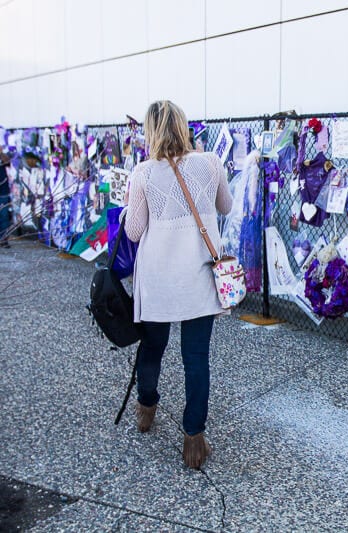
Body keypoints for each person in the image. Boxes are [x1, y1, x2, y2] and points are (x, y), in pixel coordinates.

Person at [123, 101, 233, 469]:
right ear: (184, 126)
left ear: (150, 131)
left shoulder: (142, 173)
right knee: (196, 358)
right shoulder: (211, 162)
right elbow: (226, 206)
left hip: (157, 281)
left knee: (152, 348)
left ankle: (147, 405)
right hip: (199, 277)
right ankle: (193, 439)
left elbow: (135, 231)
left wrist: (127, 210)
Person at [0, 147, 11, 248]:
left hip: (3, 193)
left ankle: (3, 239)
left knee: (4, 216)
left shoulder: (2, 157)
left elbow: (8, 161)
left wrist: (1, 153)